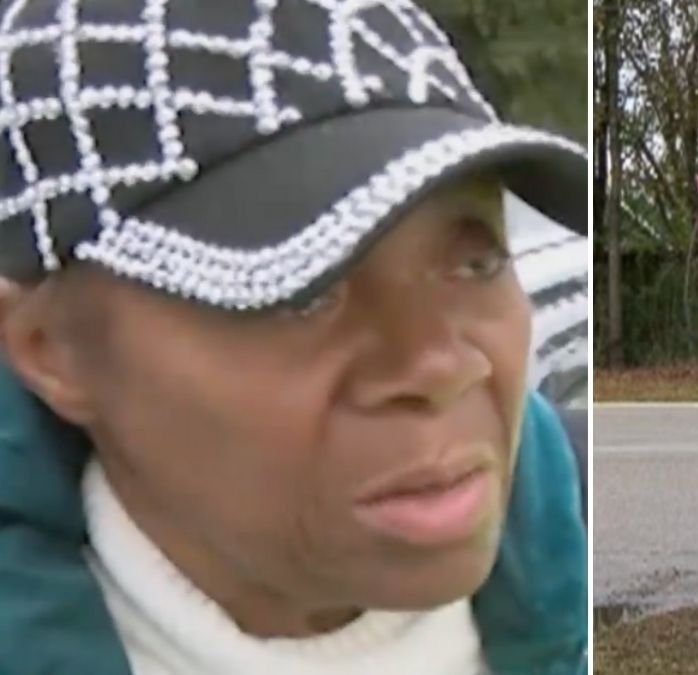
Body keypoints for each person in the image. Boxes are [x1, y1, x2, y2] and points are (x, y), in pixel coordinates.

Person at [0, 2, 587, 674]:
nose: (439, 364)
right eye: (304, 292)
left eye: (475, 261)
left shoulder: (592, 536)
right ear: (53, 351)